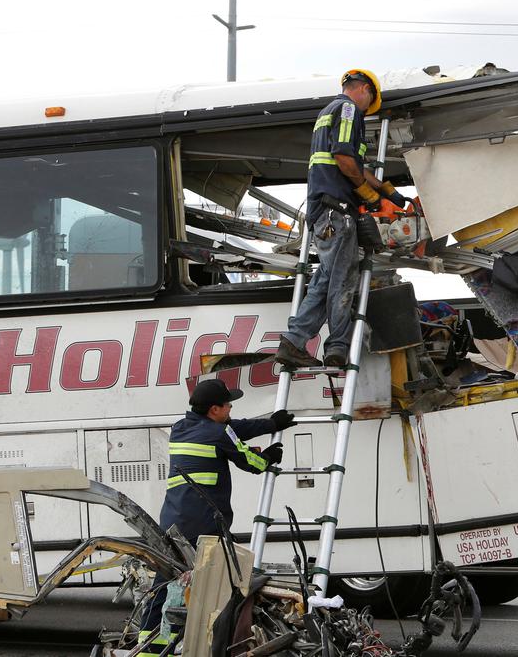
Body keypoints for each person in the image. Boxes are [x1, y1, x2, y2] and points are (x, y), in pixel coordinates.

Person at [137, 378, 296, 652]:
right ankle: (206, 642)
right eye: (227, 404)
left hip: (174, 522)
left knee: (165, 581)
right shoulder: (218, 434)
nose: (231, 407)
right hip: (204, 525)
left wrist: (270, 424)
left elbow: (233, 429)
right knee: (209, 587)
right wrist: (269, 456)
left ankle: (148, 645)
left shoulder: (180, 428)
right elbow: (251, 462)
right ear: (214, 409)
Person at [275, 68, 408, 369]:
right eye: (370, 99)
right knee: (343, 279)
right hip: (338, 212)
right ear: (363, 89)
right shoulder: (348, 109)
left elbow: (353, 164)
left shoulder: (328, 112)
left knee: (325, 280)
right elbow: (344, 158)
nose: (367, 106)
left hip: (325, 212)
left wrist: (386, 191)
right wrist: (368, 194)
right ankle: (336, 345)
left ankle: (294, 342)